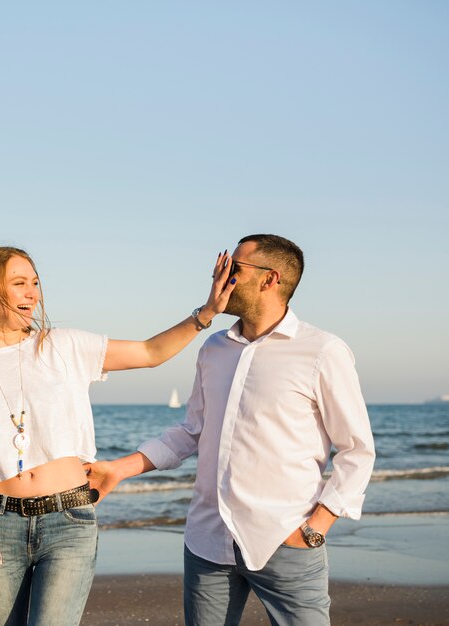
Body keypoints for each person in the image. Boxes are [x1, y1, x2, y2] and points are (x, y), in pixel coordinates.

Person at [0, 245, 235, 626]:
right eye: (19, 283)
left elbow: (151, 352)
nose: (32, 293)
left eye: (35, 283)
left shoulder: (63, 345)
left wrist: (207, 313)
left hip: (67, 520)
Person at [86, 234, 376, 626]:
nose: (219, 276)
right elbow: (192, 431)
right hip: (207, 542)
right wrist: (120, 468)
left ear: (270, 279)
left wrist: (315, 529)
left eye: (233, 268)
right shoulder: (213, 349)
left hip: (285, 540)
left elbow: (357, 450)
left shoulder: (323, 351)